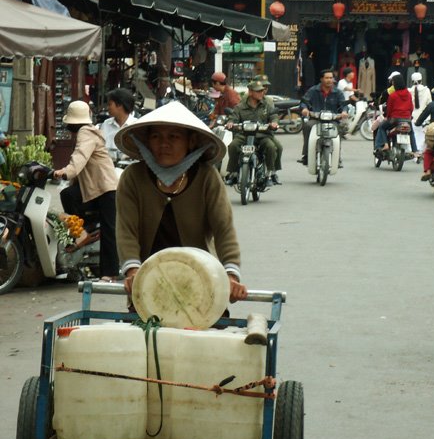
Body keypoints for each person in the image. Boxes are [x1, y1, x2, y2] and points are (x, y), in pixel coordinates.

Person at [114, 100, 247, 306]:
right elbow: (126, 230)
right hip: (149, 283)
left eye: (173, 137)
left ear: (191, 142)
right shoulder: (133, 177)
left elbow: (224, 229)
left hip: (200, 279)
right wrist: (133, 271)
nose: (163, 143)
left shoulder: (207, 177)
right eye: (156, 136)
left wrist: (231, 275)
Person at [53, 100, 120, 280]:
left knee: (109, 231)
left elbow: (79, 158)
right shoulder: (87, 132)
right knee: (67, 195)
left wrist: (66, 172)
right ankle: (84, 233)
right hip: (94, 188)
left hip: (106, 188)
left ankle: (110, 273)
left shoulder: (86, 133)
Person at [224, 80, 281, 186]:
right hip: (244, 135)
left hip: (262, 135)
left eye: (262, 91)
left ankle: (269, 174)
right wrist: (230, 123)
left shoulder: (266, 106)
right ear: (250, 92)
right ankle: (234, 173)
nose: (261, 93)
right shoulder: (240, 107)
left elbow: (274, 116)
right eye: (258, 91)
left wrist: (274, 123)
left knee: (271, 147)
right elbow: (233, 118)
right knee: (232, 146)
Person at [298, 68, 348, 165]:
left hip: (332, 120)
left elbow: (343, 105)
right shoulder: (313, 90)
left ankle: (337, 156)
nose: (329, 80)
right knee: (308, 126)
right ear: (321, 79)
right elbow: (304, 102)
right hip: (316, 119)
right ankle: (306, 155)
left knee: (339, 129)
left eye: (331, 78)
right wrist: (304, 109)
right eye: (327, 78)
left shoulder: (338, 92)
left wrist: (344, 111)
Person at [374, 74, 414, 152]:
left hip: (395, 119)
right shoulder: (408, 94)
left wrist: (387, 117)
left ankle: (385, 144)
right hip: (407, 119)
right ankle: (415, 151)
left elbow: (389, 109)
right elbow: (411, 107)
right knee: (411, 132)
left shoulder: (393, 95)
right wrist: (409, 116)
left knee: (382, 127)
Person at [99, 88, 137, 158]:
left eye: (110, 104)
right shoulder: (106, 124)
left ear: (119, 105)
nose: (108, 108)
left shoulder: (136, 125)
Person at [409, 71, 432, 159]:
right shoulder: (426, 90)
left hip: (412, 118)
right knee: (422, 136)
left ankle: (415, 151)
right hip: (424, 118)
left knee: (414, 135)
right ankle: (421, 152)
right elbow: (429, 104)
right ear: (421, 80)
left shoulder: (409, 91)